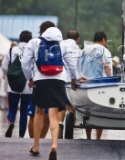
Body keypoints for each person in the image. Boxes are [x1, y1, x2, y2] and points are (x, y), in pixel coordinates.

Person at [21, 22, 80, 160]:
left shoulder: (34, 42)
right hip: (59, 79)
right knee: (53, 114)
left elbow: (25, 63)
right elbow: (71, 63)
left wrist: (30, 77)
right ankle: (54, 145)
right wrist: (75, 78)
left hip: (40, 79)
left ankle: (36, 146)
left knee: (39, 111)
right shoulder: (63, 44)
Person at [80, 31, 113, 140]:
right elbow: (108, 68)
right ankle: (98, 138)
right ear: (103, 40)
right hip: (99, 85)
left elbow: (77, 66)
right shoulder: (105, 50)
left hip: (85, 84)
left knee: (87, 112)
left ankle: (88, 137)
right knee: (100, 112)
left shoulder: (84, 50)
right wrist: (111, 80)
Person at [1, 30, 33, 138]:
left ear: (20, 39)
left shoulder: (11, 50)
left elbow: (4, 67)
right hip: (28, 86)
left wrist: (10, 76)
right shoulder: (32, 51)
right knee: (24, 111)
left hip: (13, 86)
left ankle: (11, 123)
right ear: (30, 40)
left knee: (12, 109)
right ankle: (21, 136)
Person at [58, 30, 82, 139]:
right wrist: (76, 78)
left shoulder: (59, 45)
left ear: (66, 37)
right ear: (77, 39)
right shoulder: (77, 49)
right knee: (70, 105)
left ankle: (59, 123)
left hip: (57, 78)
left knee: (60, 105)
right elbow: (76, 67)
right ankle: (68, 125)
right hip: (70, 80)